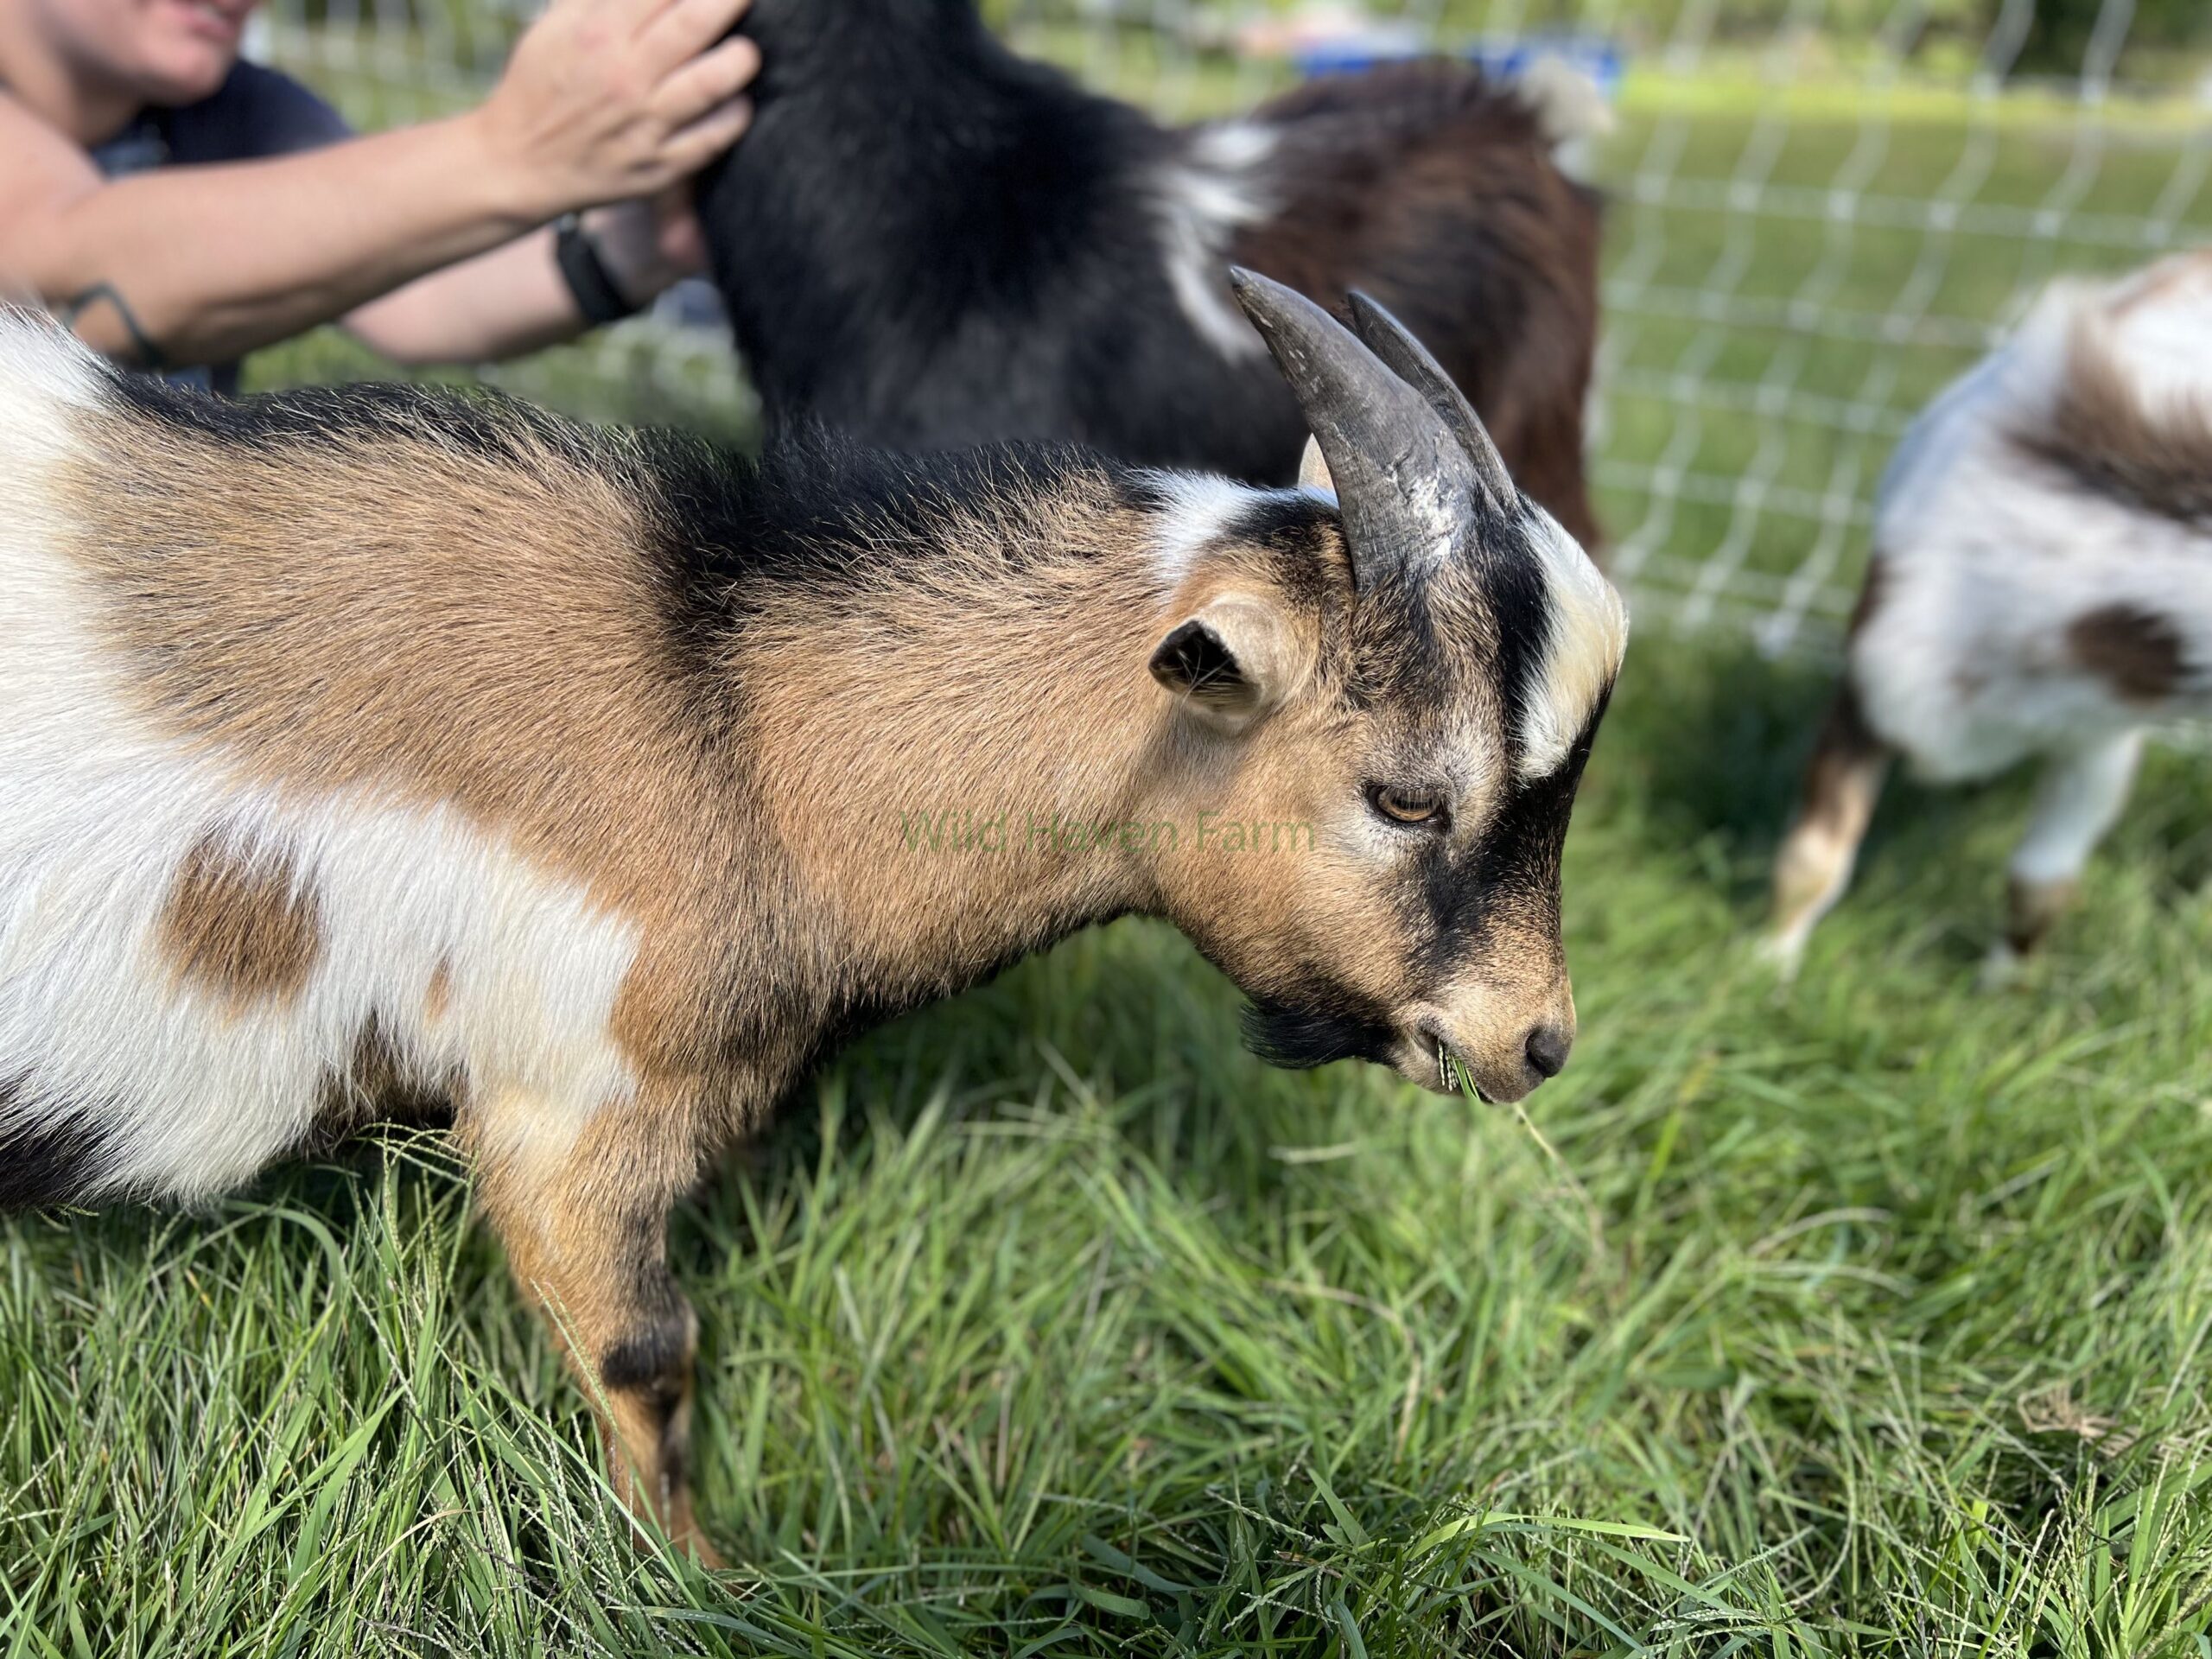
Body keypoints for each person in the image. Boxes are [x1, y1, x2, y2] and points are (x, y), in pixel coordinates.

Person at [0, 0, 760, 392]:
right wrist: (522, 149)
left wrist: (632, 250)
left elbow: (420, 292)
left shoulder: (240, 113)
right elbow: (69, 265)